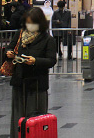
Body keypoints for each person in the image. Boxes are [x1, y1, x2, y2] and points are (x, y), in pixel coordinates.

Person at [6, 7, 57, 138]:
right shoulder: (20, 35)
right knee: (17, 116)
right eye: (27, 23)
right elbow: (10, 47)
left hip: (37, 84)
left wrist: (35, 61)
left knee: (35, 117)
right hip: (19, 81)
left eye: (32, 23)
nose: (29, 26)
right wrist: (9, 53)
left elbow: (51, 60)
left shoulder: (48, 39)